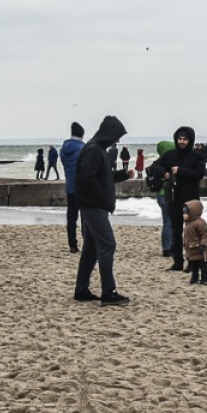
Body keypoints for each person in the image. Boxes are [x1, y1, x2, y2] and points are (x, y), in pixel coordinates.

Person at [73, 115, 133, 305]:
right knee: (108, 244)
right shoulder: (93, 150)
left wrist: (123, 175)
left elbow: (102, 177)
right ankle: (109, 292)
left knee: (91, 248)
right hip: (94, 206)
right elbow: (87, 178)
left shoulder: (97, 150)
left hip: (93, 205)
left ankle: (81, 289)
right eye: (117, 136)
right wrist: (100, 197)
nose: (118, 140)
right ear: (109, 133)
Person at [149, 126, 207, 271]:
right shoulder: (170, 155)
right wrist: (165, 174)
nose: (182, 142)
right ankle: (177, 261)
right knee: (176, 232)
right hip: (174, 198)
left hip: (191, 199)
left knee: (192, 233)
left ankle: (192, 262)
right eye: (179, 139)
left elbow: (199, 173)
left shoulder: (197, 156)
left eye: (185, 139)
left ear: (190, 140)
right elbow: (154, 167)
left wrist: (180, 171)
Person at [59, 122, 86, 253]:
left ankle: (72, 244)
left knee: (71, 217)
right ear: (82, 134)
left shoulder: (63, 149)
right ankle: (87, 242)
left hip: (70, 186)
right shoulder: (83, 148)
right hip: (82, 187)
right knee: (85, 217)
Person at [152, 140, 174, 256]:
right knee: (171, 222)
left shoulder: (157, 164)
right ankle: (169, 247)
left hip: (160, 195)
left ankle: (168, 247)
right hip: (168, 194)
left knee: (167, 222)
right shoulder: (170, 165)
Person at [183, 199, 207, 285]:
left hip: (199, 249)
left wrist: (203, 244)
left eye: (186, 213)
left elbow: (204, 235)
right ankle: (194, 278)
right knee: (194, 265)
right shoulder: (188, 223)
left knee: (202, 265)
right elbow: (187, 236)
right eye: (184, 213)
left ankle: (204, 278)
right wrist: (185, 244)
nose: (184, 215)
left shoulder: (200, 223)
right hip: (191, 248)